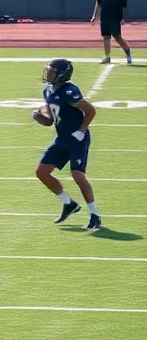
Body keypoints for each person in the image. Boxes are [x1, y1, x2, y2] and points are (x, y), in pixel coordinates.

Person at [33, 58, 101, 231]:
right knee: (41, 172)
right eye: (49, 70)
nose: (49, 74)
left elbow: (90, 110)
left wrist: (82, 130)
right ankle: (68, 203)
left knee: (77, 174)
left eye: (53, 72)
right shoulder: (48, 92)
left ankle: (95, 214)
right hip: (62, 138)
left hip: (77, 138)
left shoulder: (69, 91)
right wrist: (39, 117)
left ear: (63, 75)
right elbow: (49, 121)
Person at [92, 0, 131, 65]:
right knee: (106, 37)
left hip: (115, 19)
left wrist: (123, 18)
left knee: (117, 37)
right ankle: (107, 57)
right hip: (104, 18)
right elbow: (98, 4)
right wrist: (94, 16)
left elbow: (124, 7)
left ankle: (127, 51)